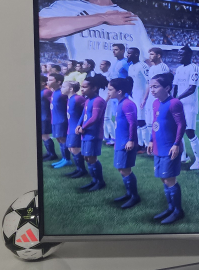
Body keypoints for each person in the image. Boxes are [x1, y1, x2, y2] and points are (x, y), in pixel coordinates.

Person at [147, 72, 187, 225]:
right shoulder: (155, 103)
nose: (152, 90)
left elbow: (181, 124)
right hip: (158, 146)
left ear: (167, 88)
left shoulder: (174, 103)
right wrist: (151, 141)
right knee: (163, 178)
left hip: (170, 147)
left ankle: (178, 211)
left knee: (170, 179)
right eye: (151, 87)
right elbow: (155, 123)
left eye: (155, 87)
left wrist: (176, 144)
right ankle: (171, 208)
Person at [106, 77, 140, 209]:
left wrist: (130, 140)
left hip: (126, 142)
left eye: (110, 90)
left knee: (125, 169)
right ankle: (129, 193)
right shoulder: (120, 103)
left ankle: (134, 197)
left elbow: (133, 123)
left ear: (119, 91)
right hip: (120, 141)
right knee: (121, 169)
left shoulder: (127, 104)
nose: (108, 92)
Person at [74, 74, 108, 192]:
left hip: (93, 134)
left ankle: (100, 182)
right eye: (81, 87)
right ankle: (94, 180)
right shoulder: (88, 100)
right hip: (85, 133)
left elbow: (95, 117)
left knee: (92, 158)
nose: (82, 89)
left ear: (94, 88)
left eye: (85, 87)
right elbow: (83, 115)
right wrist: (79, 125)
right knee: (86, 157)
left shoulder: (98, 101)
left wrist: (83, 127)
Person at [173, 45, 199, 170]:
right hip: (179, 105)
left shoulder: (194, 68)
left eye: (181, 55)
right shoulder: (179, 69)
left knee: (189, 131)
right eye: (178, 55)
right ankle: (183, 156)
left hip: (190, 105)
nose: (179, 57)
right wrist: (172, 100)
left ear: (189, 55)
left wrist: (177, 98)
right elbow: (175, 86)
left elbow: (192, 88)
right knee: (178, 130)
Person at [140, 47, 170, 136]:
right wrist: (145, 99)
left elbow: (166, 84)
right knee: (149, 122)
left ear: (158, 55)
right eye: (149, 54)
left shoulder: (163, 67)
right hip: (151, 98)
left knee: (159, 121)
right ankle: (152, 141)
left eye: (152, 54)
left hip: (159, 98)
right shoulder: (152, 68)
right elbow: (149, 84)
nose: (150, 56)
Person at [126, 47, 149, 150]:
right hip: (133, 96)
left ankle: (147, 145)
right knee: (135, 120)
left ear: (136, 54)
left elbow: (149, 81)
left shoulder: (143, 66)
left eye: (129, 53)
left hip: (141, 96)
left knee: (141, 120)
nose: (127, 55)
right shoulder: (131, 67)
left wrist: (145, 98)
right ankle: (140, 144)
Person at [49, 72, 71, 168]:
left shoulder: (62, 94)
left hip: (61, 120)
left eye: (51, 80)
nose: (48, 81)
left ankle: (67, 159)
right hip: (55, 120)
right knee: (58, 139)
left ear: (58, 82)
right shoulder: (54, 92)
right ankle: (64, 158)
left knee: (63, 139)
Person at [64, 80, 85, 175]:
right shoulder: (69, 99)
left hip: (75, 128)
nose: (61, 88)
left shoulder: (78, 99)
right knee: (71, 148)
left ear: (71, 89)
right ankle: (78, 169)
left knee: (75, 148)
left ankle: (82, 170)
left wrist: (81, 125)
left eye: (64, 87)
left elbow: (86, 111)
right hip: (70, 127)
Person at [39, 75, 55, 162]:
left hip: (45, 117)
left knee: (45, 135)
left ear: (42, 83)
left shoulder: (46, 92)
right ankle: (49, 153)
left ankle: (52, 154)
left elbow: (53, 104)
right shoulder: (42, 91)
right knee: (43, 135)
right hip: (42, 116)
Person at [98, 60, 114, 144]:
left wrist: (106, 99)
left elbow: (110, 89)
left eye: (102, 64)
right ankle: (106, 136)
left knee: (107, 118)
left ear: (107, 66)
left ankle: (113, 137)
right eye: (100, 64)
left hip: (107, 99)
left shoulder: (110, 75)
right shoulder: (99, 75)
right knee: (103, 118)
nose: (100, 66)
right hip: (101, 99)